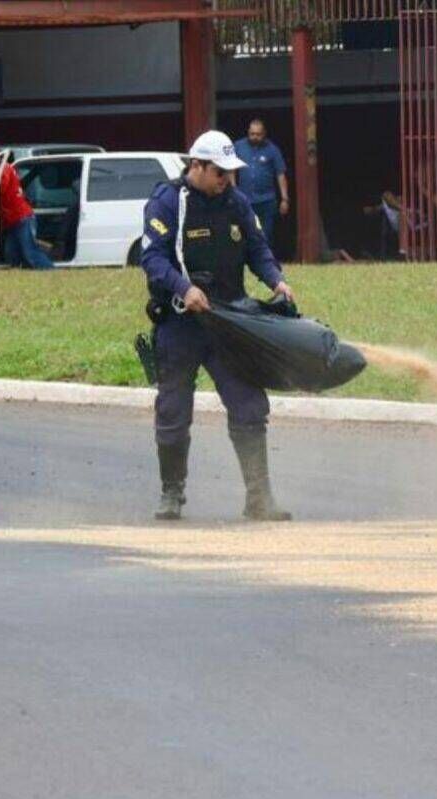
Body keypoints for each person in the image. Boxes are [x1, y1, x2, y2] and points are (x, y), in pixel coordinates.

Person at [140, 129, 296, 522]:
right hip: (180, 322)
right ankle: (172, 494)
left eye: (230, 171)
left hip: (229, 321)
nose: (227, 178)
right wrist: (184, 287)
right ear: (197, 165)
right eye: (219, 171)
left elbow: (257, 249)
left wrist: (276, 279)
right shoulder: (167, 202)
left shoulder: (236, 203)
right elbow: (154, 260)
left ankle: (259, 497)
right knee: (174, 409)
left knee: (249, 406)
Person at [0, 136, 54, 270]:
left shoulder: (3, 169)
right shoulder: (0, 168)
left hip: (21, 218)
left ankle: (51, 273)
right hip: (13, 222)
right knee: (12, 255)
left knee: (31, 252)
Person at [233, 119, 289, 252]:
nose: (255, 137)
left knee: (266, 233)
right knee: (244, 232)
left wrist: (285, 199)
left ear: (264, 134)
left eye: (258, 134)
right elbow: (230, 169)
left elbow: (280, 174)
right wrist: (233, 189)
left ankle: (266, 261)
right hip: (244, 199)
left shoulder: (272, 150)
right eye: (252, 134)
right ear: (248, 132)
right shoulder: (238, 147)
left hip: (266, 200)